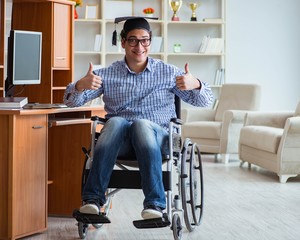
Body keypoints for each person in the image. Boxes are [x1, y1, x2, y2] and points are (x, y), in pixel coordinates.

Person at [64, 17, 213, 219]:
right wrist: (80, 85)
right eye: (133, 40)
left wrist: (196, 84)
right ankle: (92, 200)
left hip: (159, 141)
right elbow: (70, 102)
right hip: (121, 143)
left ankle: (155, 205)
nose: (139, 46)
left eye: (145, 40)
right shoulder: (107, 75)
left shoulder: (168, 73)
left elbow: (206, 101)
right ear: (123, 42)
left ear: (150, 42)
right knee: (115, 122)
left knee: (142, 125)